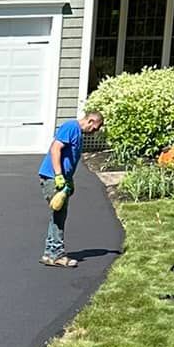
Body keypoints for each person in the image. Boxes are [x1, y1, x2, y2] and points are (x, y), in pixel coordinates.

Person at [38, 109, 102, 267]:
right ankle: (55, 254)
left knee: (59, 214)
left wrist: (69, 180)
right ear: (90, 121)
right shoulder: (71, 127)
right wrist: (59, 175)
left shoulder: (78, 134)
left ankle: (50, 253)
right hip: (52, 177)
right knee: (58, 212)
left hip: (61, 179)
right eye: (96, 127)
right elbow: (55, 149)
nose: (95, 131)